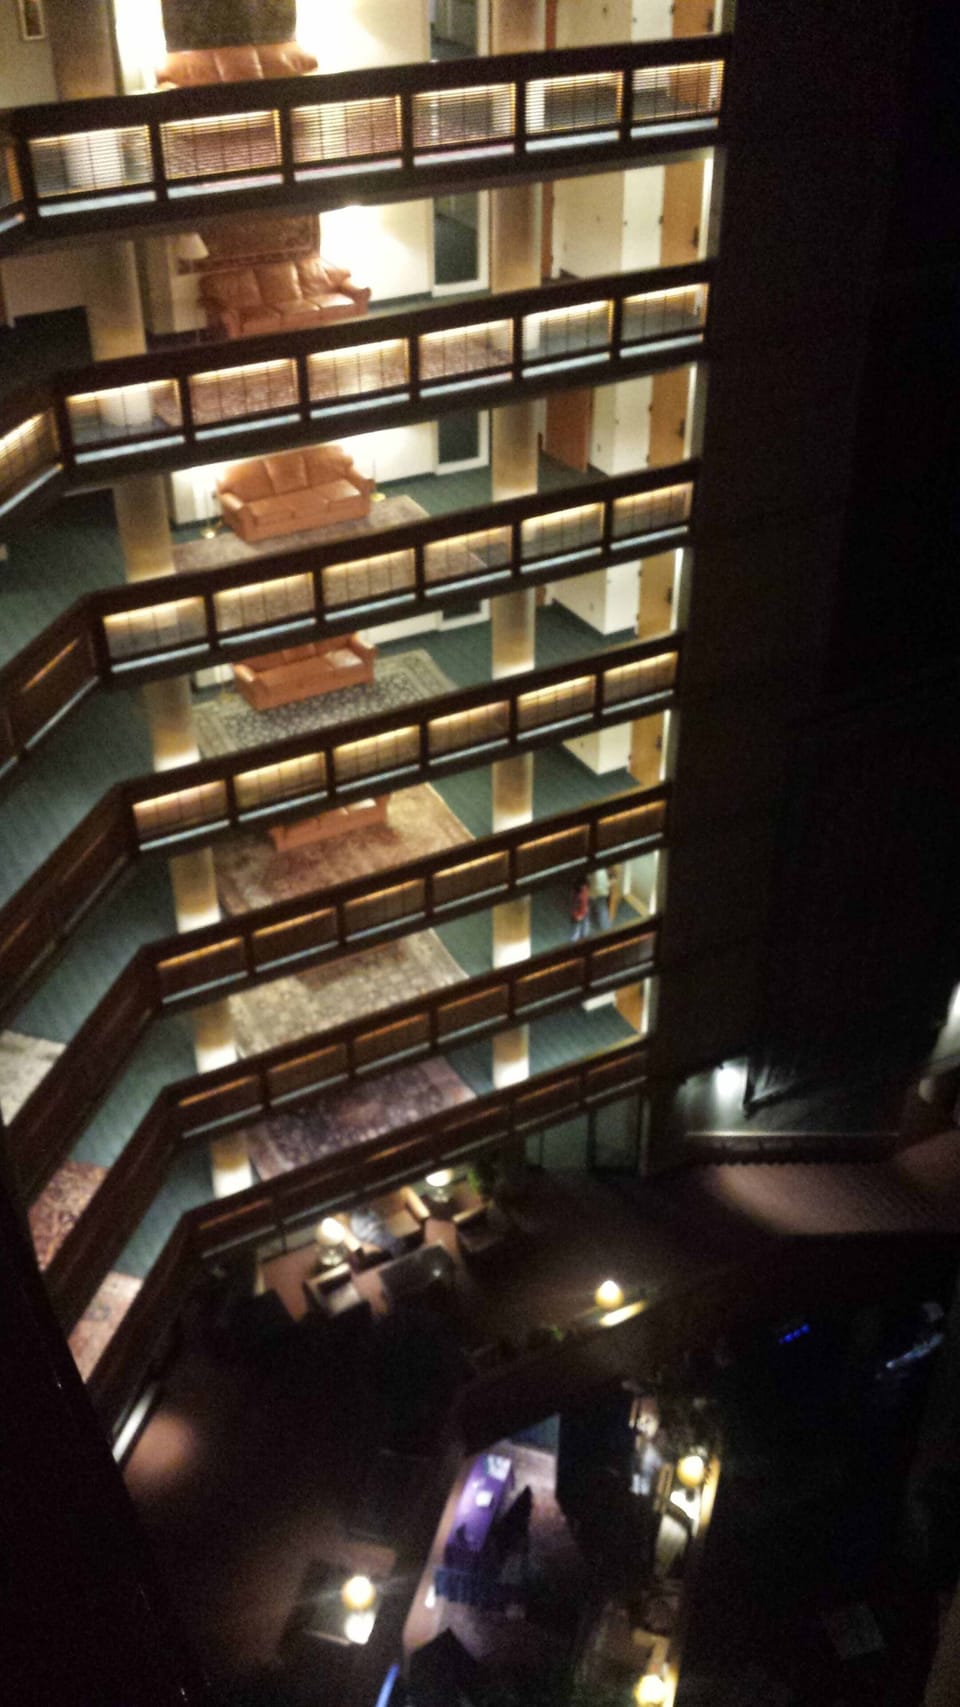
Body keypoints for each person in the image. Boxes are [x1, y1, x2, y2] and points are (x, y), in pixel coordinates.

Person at [588, 866, 611, 932]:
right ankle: (607, 931)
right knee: (603, 910)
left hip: (592, 892)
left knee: (587, 909)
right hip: (602, 892)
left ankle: (586, 930)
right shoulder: (602, 870)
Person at [570, 875, 590, 941]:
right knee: (584, 924)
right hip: (583, 911)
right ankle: (584, 936)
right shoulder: (584, 891)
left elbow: (575, 904)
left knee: (576, 927)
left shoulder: (578, 894)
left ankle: (575, 938)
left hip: (578, 913)